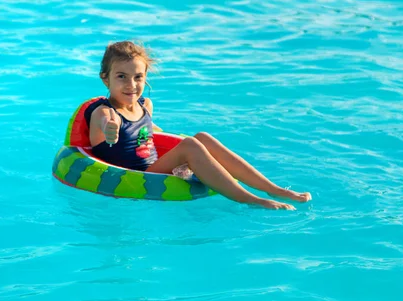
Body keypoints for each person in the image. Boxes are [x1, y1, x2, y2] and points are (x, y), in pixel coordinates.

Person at [86, 41, 312, 210]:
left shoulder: (146, 105)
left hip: (155, 166)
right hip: (134, 174)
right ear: (105, 79)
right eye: (122, 77)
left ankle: (274, 189)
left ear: (146, 77)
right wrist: (110, 129)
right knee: (191, 146)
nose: (131, 85)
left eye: (138, 77)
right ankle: (252, 199)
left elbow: (147, 133)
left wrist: (167, 140)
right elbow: (109, 123)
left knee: (201, 137)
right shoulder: (104, 112)